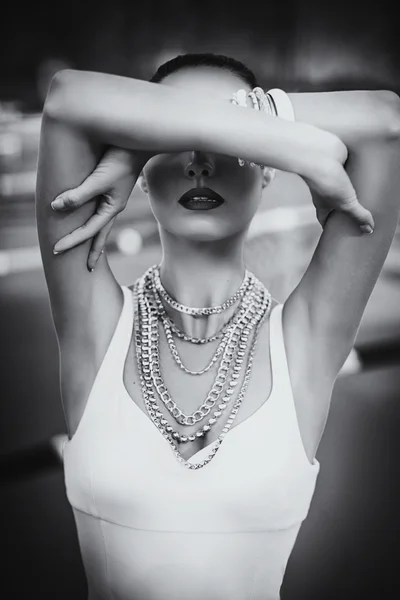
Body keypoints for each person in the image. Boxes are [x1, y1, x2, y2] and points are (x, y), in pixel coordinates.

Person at [35, 53, 400, 600]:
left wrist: (262, 118)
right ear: (139, 166)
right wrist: (275, 137)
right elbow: (64, 100)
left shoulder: (305, 341)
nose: (199, 162)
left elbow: (388, 122)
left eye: (236, 134)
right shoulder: (96, 326)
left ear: (268, 161)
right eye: (171, 130)